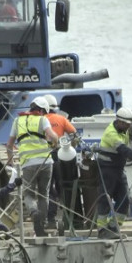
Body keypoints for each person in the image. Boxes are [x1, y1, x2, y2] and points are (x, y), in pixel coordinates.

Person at [7, 97, 59, 237]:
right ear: (42, 110)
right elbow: (53, 136)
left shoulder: (18, 121)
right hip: (46, 163)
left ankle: (33, 212)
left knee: (28, 194)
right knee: (44, 194)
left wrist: (10, 161)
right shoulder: (42, 120)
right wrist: (56, 144)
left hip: (28, 164)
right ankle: (41, 225)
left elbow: (9, 145)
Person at [95, 107, 132, 239]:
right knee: (105, 199)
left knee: (124, 199)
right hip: (107, 169)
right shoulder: (111, 134)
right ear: (120, 122)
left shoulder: (124, 127)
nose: (129, 127)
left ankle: (114, 227)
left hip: (118, 169)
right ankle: (102, 229)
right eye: (127, 125)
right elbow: (124, 150)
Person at [42, 94, 78, 230]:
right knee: (62, 186)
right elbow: (75, 134)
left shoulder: (40, 119)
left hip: (44, 157)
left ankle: (50, 218)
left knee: (48, 188)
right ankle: (68, 217)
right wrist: (71, 147)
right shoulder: (61, 119)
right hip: (60, 156)